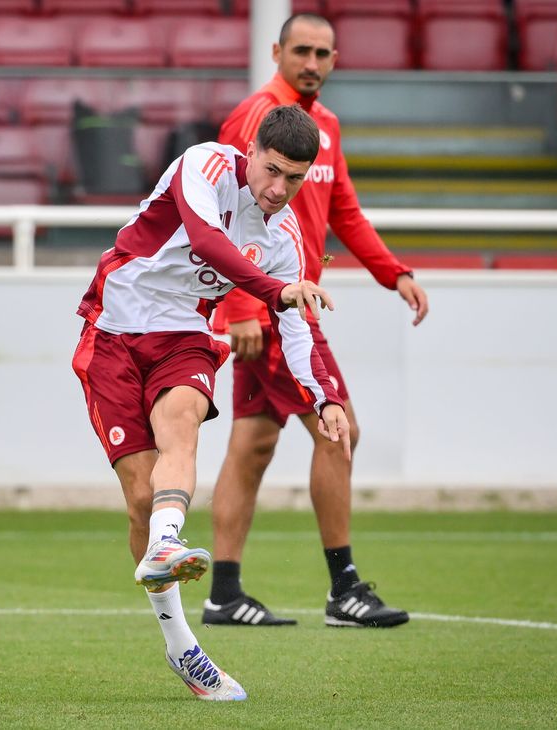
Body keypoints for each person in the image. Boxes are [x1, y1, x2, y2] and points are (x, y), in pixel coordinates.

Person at [73, 105, 350, 701]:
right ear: (251, 151)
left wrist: (325, 398)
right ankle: (181, 647)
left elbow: (296, 329)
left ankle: (169, 540)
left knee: (184, 421)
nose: (279, 190)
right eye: (272, 171)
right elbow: (205, 239)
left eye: (295, 179)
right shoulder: (202, 164)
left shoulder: (285, 238)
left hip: (184, 336)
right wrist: (276, 290)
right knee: (141, 502)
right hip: (113, 331)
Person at [203, 13, 430, 629]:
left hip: (282, 306)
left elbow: (345, 211)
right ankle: (344, 589)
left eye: (323, 52)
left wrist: (394, 272)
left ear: (335, 59)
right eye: (301, 50)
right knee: (341, 429)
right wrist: (243, 307)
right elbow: (225, 216)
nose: (312, 61)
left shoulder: (324, 126)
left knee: (252, 444)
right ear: (276, 51)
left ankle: (223, 592)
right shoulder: (256, 118)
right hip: (274, 309)